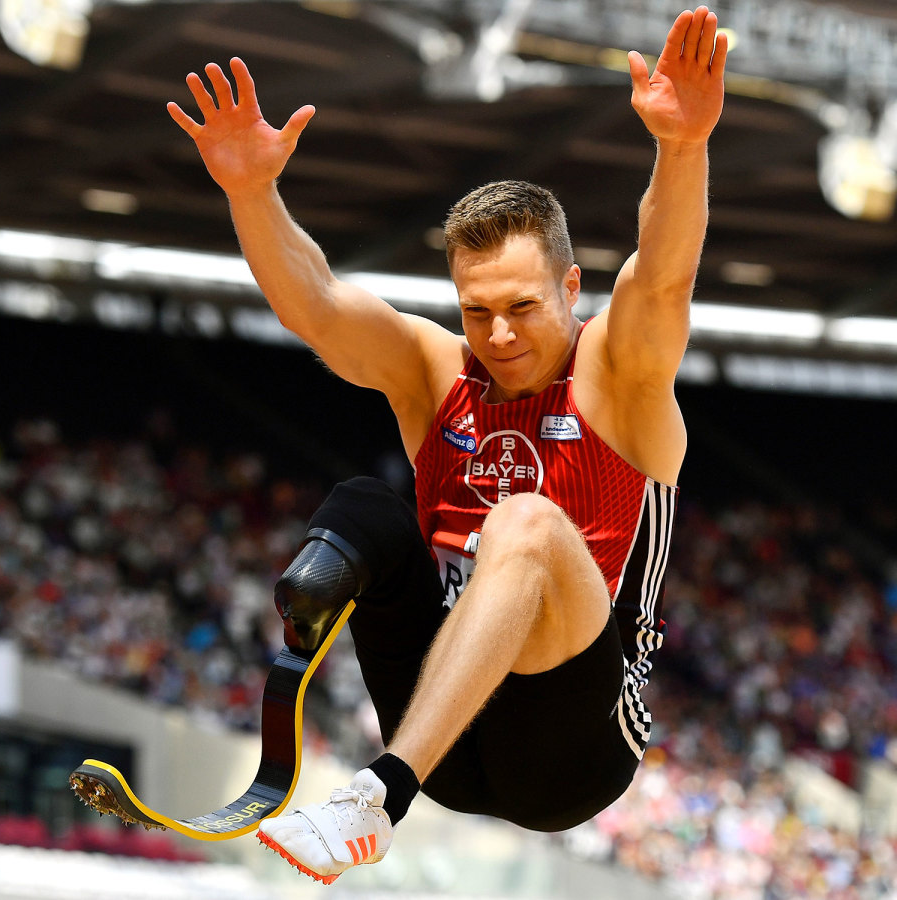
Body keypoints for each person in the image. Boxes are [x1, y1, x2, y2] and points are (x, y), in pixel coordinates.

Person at [168, 5, 727, 884]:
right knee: (364, 504)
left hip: (573, 752)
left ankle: (371, 803)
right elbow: (316, 303)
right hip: (452, 736)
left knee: (529, 526)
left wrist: (682, 148)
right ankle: (293, 672)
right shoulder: (436, 371)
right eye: (476, 311)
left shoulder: (619, 373)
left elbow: (663, 277)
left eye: (521, 307)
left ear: (570, 287)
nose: (497, 335)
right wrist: (250, 192)